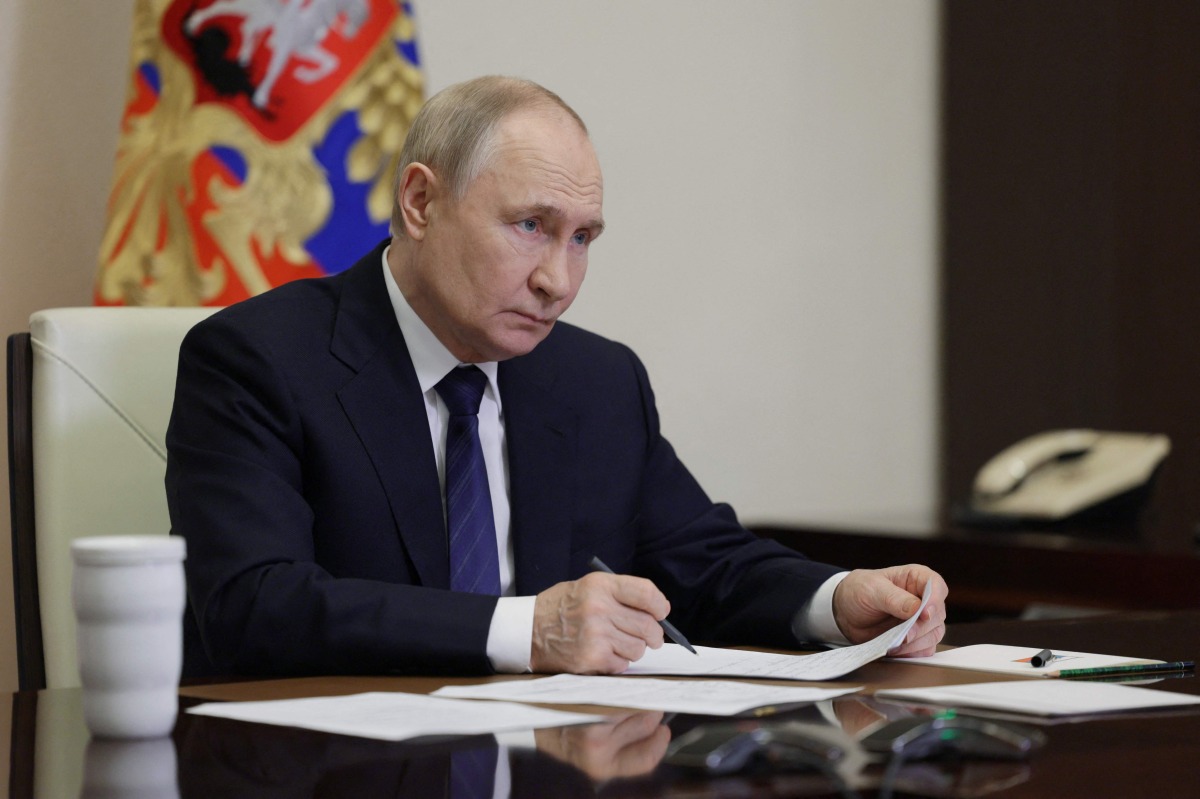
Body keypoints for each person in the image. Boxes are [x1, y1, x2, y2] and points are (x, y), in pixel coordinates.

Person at [166, 75, 948, 678]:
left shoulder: (596, 379)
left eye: (582, 239)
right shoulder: (257, 359)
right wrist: (528, 630)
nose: (558, 280)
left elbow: (704, 563)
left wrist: (838, 599)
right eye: (530, 226)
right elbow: (252, 605)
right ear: (419, 202)